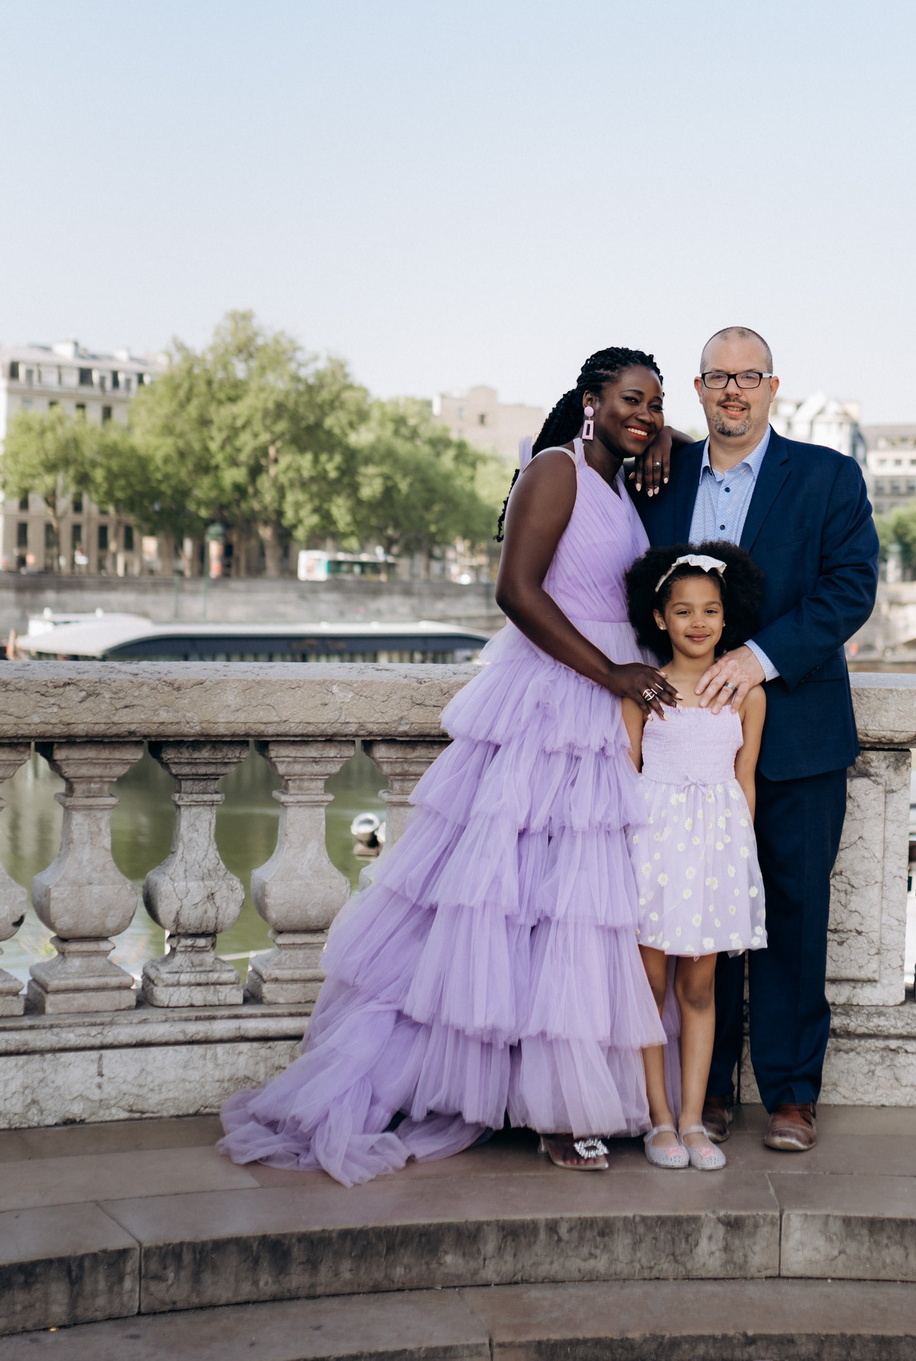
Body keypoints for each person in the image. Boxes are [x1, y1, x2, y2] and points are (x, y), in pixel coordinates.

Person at [220, 348, 675, 1182]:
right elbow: (516, 590)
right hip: (557, 697)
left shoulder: (620, 484)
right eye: (631, 400)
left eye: (656, 403)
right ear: (590, 400)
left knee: (576, 909)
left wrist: (663, 436)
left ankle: (554, 1092)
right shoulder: (555, 469)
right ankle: (554, 1110)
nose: (645, 415)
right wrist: (611, 672)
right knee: (523, 904)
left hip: (611, 710)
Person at [633, 327, 878, 1155]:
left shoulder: (828, 476)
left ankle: (791, 1094)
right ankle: (703, 1092)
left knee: (795, 914)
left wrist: (759, 657)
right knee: (695, 915)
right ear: (699, 389)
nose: (733, 390)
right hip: (684, 749)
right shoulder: (658, 478)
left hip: (799, 732)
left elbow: (851, 587)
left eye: (748, 376)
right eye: (717, 376)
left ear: (774, 387)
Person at [621, 542, 768, 1172]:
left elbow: (745, 780)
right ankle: (658, 1118)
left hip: (715, 852)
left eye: (710, 610)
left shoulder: (745, 694)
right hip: (652, 846)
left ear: (726, 617)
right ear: (660, 618)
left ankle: (692, 1119)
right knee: (650, 984)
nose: (698, 622)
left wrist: (739, 860)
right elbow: (627, 773)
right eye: (683, 611)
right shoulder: (644, 690)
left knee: (699, 985)